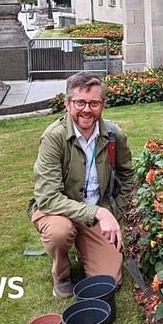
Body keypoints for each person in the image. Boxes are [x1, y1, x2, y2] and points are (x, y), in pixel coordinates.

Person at [26, 71, 135, 299]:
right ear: (67, 104)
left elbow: (127, 176)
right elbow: (48, 198)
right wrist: (98, 213)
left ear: (103, 104)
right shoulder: (53, 138)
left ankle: (86, 247)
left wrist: (115, 210)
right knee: (60, 231)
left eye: (94, 103)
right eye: (80, 102)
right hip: (58, 212)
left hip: (97, 211)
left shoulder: (115, 135)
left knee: (108, 282)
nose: (87, 109)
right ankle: (62, 273)